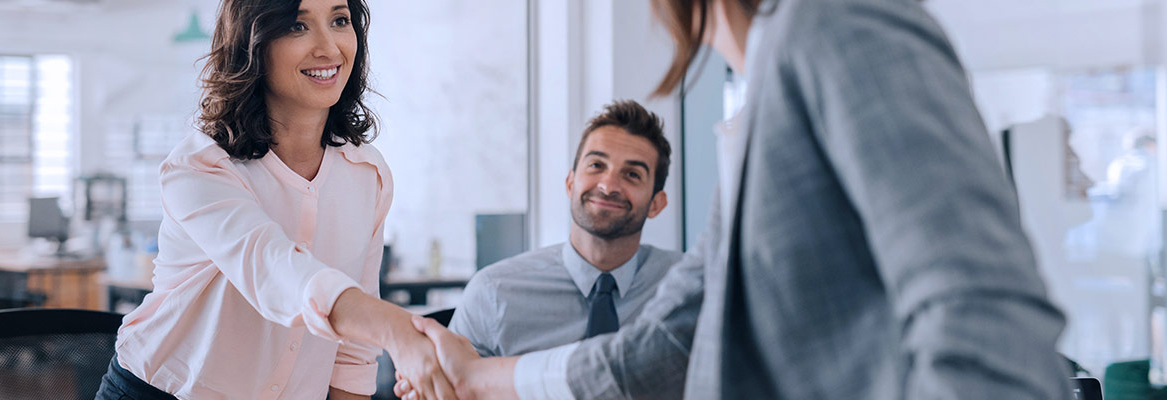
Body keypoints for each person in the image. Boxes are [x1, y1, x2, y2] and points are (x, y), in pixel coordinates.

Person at [398, 0, 1070, 398]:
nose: (609, 184)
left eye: (632, 172)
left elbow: (988, 324)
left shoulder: (838, 23)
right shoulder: (756, 117)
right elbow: (659, 347)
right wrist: (481, 379)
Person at [94, 0, 457, 399]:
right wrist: (397, 330)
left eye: (340, 20)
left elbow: (352, 355)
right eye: (298, 27)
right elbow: (275, 270)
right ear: (253, 44)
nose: (329, 47)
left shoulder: (366, 174)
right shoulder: (199, 168)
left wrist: (388, 334)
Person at [448, 100, 684, 357]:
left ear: (656, 204)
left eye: (632, 175)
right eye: (596, 166)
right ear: (571, 184)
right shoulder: (493, 293)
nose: (608, 186)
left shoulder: (687, 286)